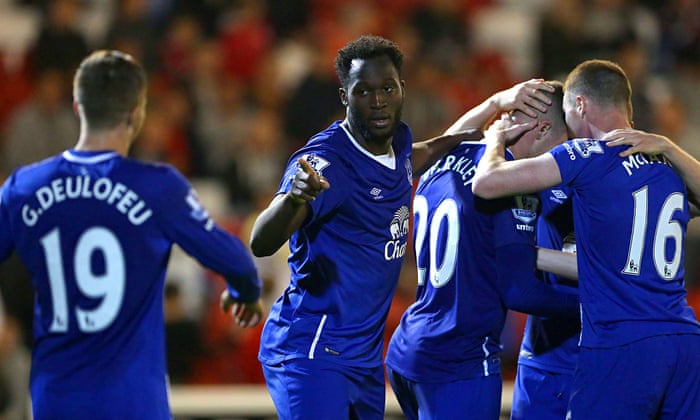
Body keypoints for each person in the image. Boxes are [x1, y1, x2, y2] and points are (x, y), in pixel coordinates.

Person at [0, 50, 264, 419]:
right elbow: (236, 261)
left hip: (56, 399)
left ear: (77, 107)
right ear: (136, 113)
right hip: (132, 399)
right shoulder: (157, 188)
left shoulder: (24, 188)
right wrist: (244, 293)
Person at [249, 35, 483, 419]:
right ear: (345, 96)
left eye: (387, 89)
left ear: (402, 89)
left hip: (364, 358)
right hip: (313, 349)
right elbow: (262, 241)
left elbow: (414, 157)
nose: (377, 101)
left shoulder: (396, 143)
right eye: (363, 91)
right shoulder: (328, 162)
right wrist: (294, 198)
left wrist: (472, 130)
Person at [472, 59, 700, 419]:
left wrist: (495, 139)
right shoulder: (663, 166)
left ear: (579, 105)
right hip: (682, 336)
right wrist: (671, 148)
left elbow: (486, 183)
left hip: (620, 339)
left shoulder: (586, 156)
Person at [384, 80, 580, 420]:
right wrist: (596, 303)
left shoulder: (447, 155)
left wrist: (494, 103)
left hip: (408, 347)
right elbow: (519, 290)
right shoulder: (511, 182)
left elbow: (453, 135)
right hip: (459, 360)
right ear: (543, 128)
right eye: (564, 142)